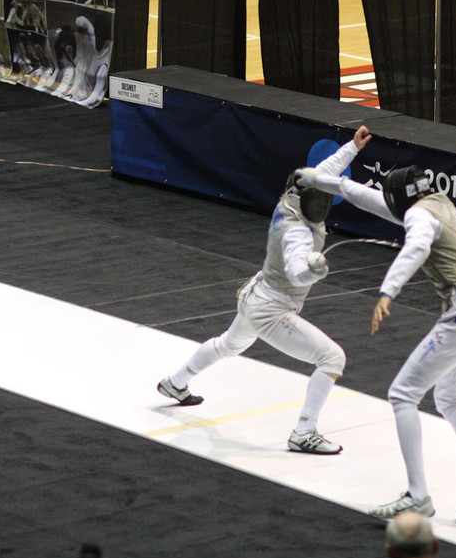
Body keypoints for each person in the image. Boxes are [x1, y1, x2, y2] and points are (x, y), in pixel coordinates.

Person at [294, 162, 456, 521]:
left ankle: (418, 496)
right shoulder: (437, 201)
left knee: (403, 394)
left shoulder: (420, 219)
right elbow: (372, 199)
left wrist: (387, 292)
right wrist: (321, 180)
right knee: (448, 396)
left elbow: (416, 248)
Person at [156, 126, 373, 455]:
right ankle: (304, 432)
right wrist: (316, 269)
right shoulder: (297, 232)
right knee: (332, 357)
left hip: (255, 294)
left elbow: (324, 172)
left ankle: (176, 382)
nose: (325, 200)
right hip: (272, 309)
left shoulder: (294, 194)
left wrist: (352, 147)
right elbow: (298, 274)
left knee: (228, 345)